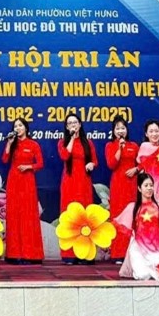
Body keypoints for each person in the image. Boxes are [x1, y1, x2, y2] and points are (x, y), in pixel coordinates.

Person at [114, 175, 159, 280]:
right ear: (139, 188)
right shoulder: (133, 207)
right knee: (143, 275)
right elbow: (119, 223)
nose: (149, 188)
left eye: (151, 185)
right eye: (146, 185)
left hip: (155, 249)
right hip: (138, 248)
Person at [2, 117, 45, 264]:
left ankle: (31, 254)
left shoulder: (33, 144)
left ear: (26, 128)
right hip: (14, 181)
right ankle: (14, 254)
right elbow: (5, 159)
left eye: (20, 125)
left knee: (28, 216)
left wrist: (29, 167)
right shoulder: (13, 143)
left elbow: (40, 163)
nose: (18, 128)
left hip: (28, 182)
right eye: (15, 126)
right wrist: (9, 143)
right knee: (14, 216)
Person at [57, 113, 99, 264]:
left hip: (84, 182)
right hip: (69, 182)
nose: (73, 125)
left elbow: (95, 160)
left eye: (75, 122)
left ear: (80, 125)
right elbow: (64, 156)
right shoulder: (62, 142)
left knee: (85, 215)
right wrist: (72, 139)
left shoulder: (88, 142)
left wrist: (91, 164)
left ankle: (85, 254)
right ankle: (69, 254)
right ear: (67, 127)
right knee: (70, 216)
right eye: (69, 123)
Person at [105, 117, 140, 262]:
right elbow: (111, 164)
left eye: (123, 128)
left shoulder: (134, 146)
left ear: (127, 130)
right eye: (118, 128)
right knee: (118, 218)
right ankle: (118, 254)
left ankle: (132, 253)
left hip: (132, 185)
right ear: (113, 131)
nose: (120, 131)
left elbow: (142, 163)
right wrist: (119, 148)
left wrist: (136, 169)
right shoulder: (110, 145)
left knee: (132, 217)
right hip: (118, 186)